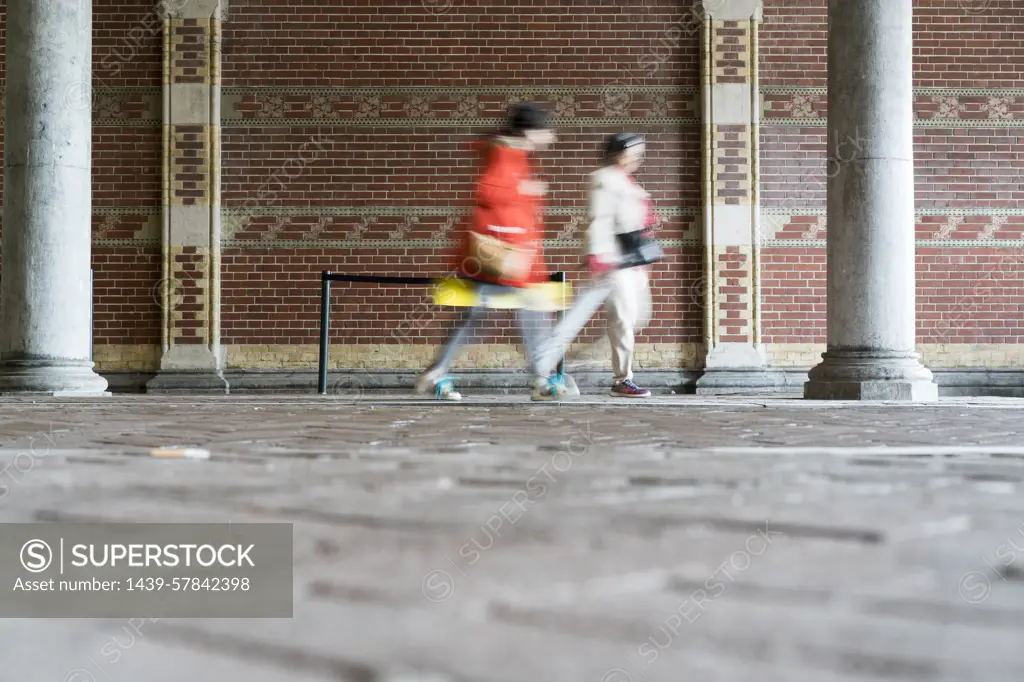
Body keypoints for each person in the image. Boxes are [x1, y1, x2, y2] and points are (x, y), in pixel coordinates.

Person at [414, 103, 569, 401]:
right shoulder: (504, 155)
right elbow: (488, 193)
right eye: (548, 131)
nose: (552, 137)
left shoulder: (512, 154)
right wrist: (525, 190)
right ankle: (541, 378)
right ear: (531, 132)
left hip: (503, 258)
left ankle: (437, 373)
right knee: (521, 313)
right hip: (499, 257)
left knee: (479, 316)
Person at [535, 133, 657, 397]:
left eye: (640, 152)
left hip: (628, 263)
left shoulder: (629, 183)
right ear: (618, 152)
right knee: (606, 318)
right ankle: (546, 370)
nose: (638, 157)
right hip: (609, 261)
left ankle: (551, 366)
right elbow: (599, 219)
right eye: (633, 151)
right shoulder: (604, 179)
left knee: (630, 318)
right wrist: (596, 256)